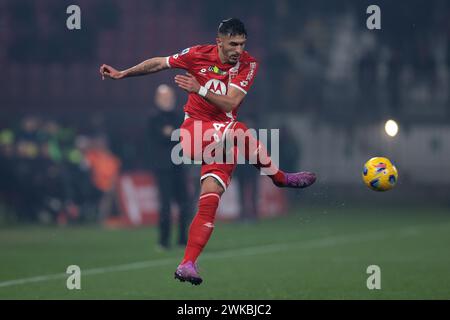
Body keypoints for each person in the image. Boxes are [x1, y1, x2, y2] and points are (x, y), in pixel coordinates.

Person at [100, 18, 316, 285]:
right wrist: (123, 73)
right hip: (194, 130)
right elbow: (159, 62)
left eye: (242, 43)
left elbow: (232, 101)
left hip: (222, 140)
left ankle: (187, 263)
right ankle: (280, 178)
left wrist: (199, 88)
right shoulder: (197, 55)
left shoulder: (248, 64)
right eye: (233, 43)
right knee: (239, 129)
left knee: (210, 198)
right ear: (220, 41)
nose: (238, 49)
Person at [146, 84, 190, 250]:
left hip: (178, 164)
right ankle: (164, 241)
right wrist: (173, 134)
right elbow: (161, 138)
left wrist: (171, 133)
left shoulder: (178, 116)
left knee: (184, 204)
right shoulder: (153, 118)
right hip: (163, 167)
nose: (168, 100)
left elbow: (181, 135)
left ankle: (182, 240)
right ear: (157, 99)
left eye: (170, 97)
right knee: (165, 205)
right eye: (164, 98)